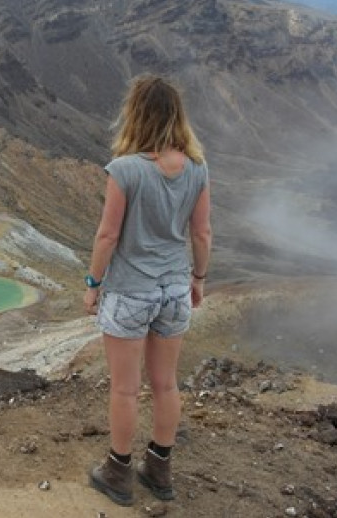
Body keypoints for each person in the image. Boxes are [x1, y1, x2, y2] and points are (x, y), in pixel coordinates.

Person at [84, 74, 212, 506]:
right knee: (165, 384)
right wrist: (197, 279)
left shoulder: (125, 170)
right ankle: (159, 469)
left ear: (135, 115)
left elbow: (107, 236)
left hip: (130, 291)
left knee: (124, 388)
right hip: (175, 289)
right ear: (178, 117)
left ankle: (118, 473)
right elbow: (202, 233)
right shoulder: (197, 168)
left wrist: (92, 285)